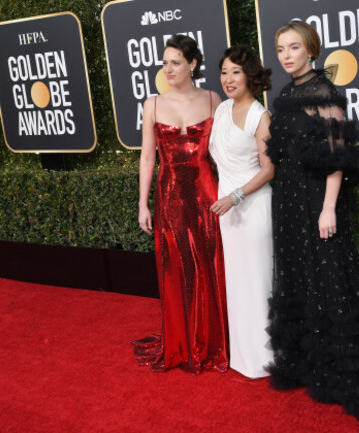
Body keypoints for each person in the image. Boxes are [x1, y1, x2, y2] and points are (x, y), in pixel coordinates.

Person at [265, 21, 359, 419]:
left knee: (333, 279)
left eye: (293, 47)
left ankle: (354, 368)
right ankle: (314, 363)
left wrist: (329, 207)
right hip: (287, 201)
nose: (286, 55)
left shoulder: (324, 92)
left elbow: (338, 156)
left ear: (311, 50)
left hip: (318, 199)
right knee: (301, 277)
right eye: (281, 48)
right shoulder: (284, 94)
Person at [133, 34, 228, 373]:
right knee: (177, 270)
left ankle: (214, 340)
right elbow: (147, 157)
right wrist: (143, 204)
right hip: (170, 196)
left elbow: (225, 152)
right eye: (164, 62)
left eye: (175, 62)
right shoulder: (153, 104)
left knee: (211, 266)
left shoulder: (215, 99)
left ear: (193, 64)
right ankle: (182, 341)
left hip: (208, 195)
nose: (167, 68)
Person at [209, 46, 275, 379]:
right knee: (237, 283)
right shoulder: (221, 110)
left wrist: (235, 197)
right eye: (224, 72)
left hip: (252, 208)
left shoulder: (260, 115)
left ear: (250, 74)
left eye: (235, 71)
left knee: (257, 281)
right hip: (228, 212)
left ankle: (266, 358)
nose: (228, 79)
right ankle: (243, 355)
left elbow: (268, 170)